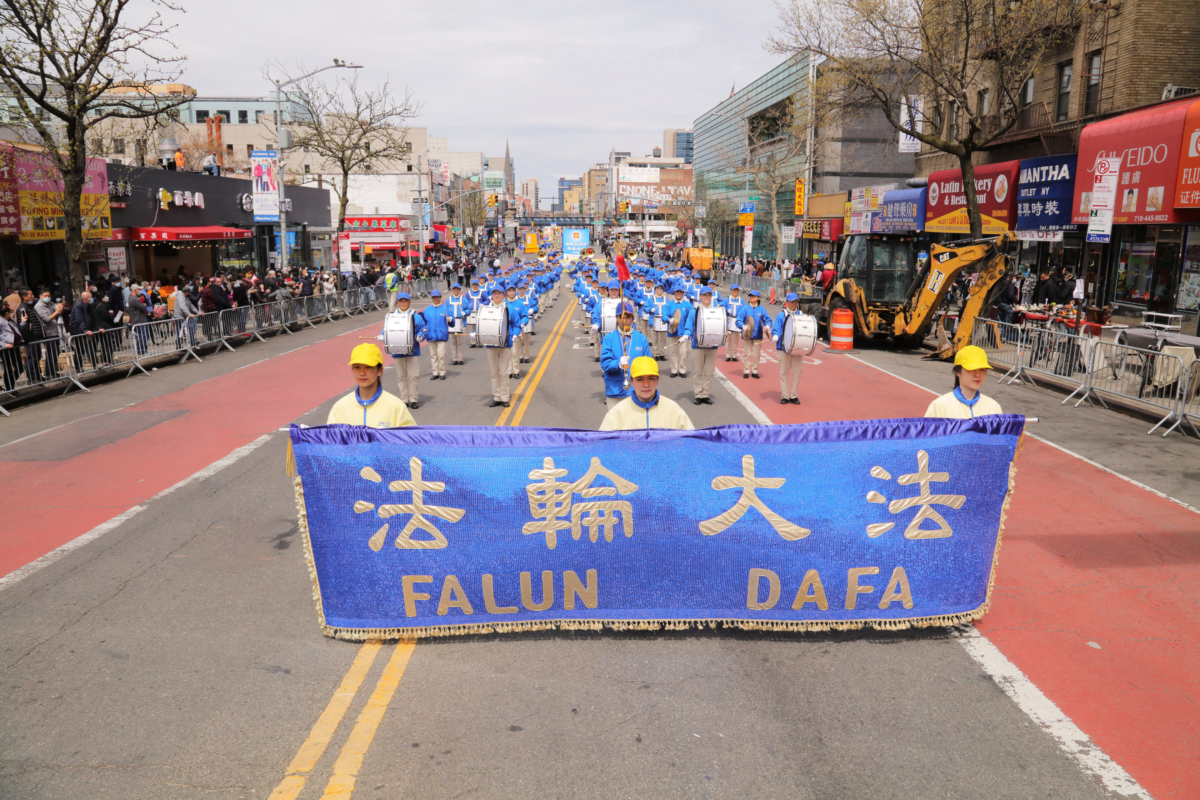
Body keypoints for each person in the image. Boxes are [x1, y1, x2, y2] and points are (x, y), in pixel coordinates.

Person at [327, 343, 416, 428]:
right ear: (352, 369)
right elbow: (329, 440)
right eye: (357, 367)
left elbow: (411, 439)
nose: (362, 373)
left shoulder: (397, 407)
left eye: (368, 367)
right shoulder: (340, 407)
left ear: (380, 370)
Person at [599, 355, 695, 431]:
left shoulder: (674, 409)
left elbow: (692, 441)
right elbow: (602, 446)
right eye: (640, 379)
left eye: (651, 378)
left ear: (657, 380)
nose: (646, 384)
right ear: (631, 381)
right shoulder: (618, 412)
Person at [924, 345, 1003, 419]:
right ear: (957, 372)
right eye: (972, 369)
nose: (978, 374)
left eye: (982, 369)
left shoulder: (994, 407)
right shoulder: (940, 406)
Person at [600, 301, 652, 408]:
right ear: (616, 318)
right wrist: (617, 364)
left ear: (632, 318)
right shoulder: (609, 338)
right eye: (621, 317)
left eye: (628, 317)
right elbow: (605, 363)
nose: (625, 320)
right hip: (615, 391)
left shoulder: (641, 338)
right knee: (615, 424)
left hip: (637, 392)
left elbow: (649, 365)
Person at [382, 292, 425, 409]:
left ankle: (413, 399)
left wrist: (421, 336)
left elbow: (423, 328)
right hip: (397, 352)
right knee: (401, 377)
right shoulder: (393, 316)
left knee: (413, 376)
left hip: (413, 350)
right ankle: (404, 399)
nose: (403, 303)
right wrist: (383, 336)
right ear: (398, 303)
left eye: (406, 301)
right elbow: (385, 330)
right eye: (401, 301)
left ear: (410, 302)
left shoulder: (415, 316)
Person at [483, 286, 521, 407]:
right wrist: (477, 333)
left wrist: (515, 334)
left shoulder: (509, 308)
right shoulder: (487, 308)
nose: (497, 296)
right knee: (494, 373)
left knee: (504, 373)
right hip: (491, 344)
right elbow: (481, 323)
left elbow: (516, 324)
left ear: (503, 295)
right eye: (494, 293)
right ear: (492, 295)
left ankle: (505, 397)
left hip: (505, 344)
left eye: (499, 293)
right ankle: (497, 396)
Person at [686, 285, 720, 405]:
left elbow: (720, 325)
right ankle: (698, 394)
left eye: (709, 295)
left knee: (709, 372)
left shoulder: (716, 311)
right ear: (700, 296)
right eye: (704, 295)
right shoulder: (694, 312)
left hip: (712, 346)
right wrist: (686, 334)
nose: (707, 297)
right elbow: (689, 327)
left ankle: (705, 394)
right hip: (698, 346)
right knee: (698, 372)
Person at [772, 292, 805, 405]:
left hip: (797, 348)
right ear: (787, 302)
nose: (793, 303)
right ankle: (785, 395)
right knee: (784, 372)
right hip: (783, 348)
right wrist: (775, 334)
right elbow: (776, 328)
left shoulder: (801, 315)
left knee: (797, 372)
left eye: (795, 301)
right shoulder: (781, 315)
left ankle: (794, 395)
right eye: (791, 301)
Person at [737, 289, 771, 380]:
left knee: (756, 354)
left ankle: (755, 370)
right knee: (746, 353)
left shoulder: (761, 309)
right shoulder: (745, 308)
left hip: (758, 335)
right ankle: (746, 370)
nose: (751, 297)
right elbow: (738, 320)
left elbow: (767, 319)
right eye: (750, 296)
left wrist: (767, 326)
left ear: (758, 298)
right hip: (747, 335)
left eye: (753, 296)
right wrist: (743, 326)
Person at [421, 289, 452, 380]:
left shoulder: (445, 308)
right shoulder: (427, 310)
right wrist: (424, 329)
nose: (436, 299)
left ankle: (442, 372)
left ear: (440, 297)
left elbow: (451, 322)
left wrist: (451, 319)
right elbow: (423, 321)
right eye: (434, 297)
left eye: (437, 297)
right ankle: (435, 372)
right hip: (431, 335)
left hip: (442, 335)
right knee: (433, 355)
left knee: (441, 355)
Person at [446, 283, 470, 365]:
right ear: (452, 290)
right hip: (452, 323)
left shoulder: (464, 299)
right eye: (454, 289)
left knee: (460, 342)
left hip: (461, 322)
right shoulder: (448, 300)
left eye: (457, 289)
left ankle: (460, 358)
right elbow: (446, 310)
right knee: (453, 342)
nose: (456, 290)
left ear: (459, 290)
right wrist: (448, 317)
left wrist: (465, 312)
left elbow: (468, 310)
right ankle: (454, 358)